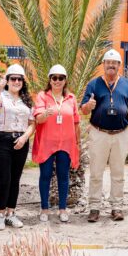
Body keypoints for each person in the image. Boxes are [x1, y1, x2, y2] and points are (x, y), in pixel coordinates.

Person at [81, 49, 128, 222]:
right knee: (96, 173)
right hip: (99, 134)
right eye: (108, 62)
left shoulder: (127, 84)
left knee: (118, 173)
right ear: (103, 65)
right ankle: (94, 207)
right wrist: (89, 106)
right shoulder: (93, 84)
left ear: (119, 66)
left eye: (114, 63)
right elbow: (83, 109)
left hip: (121, 135)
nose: (111, 66)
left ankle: (117, 207)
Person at [0, 64, 35, 229]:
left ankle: (11, 213)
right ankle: (0, 214)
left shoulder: (27, 100)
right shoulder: (1, 96)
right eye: (13, 78)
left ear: (23, 81)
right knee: (4, 178)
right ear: (7, 80)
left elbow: (32, 124)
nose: (16, 81)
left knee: (15, 179)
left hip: (21, 141)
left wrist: (24, 137)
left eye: (19, 79)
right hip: (2, 140)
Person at [33, 65, 80, 223]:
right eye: (54, 77)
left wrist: (77, 143)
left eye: (61, 78)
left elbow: (76, 122)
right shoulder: (42, 96)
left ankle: (62, 209)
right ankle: (44, 208)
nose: (57, 81)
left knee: (63, 177)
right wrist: (45, 114)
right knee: (45, 176)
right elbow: (38, 119)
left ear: (65, 80)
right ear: (50, 79)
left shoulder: (71, 98)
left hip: (66, 144)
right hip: (47, 143)